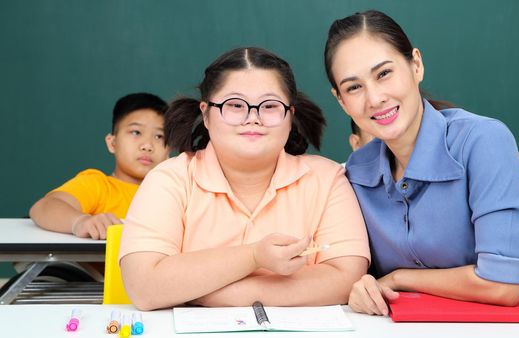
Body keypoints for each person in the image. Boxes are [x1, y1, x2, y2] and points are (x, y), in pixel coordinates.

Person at [324, 10, 519, 315]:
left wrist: (400, 279)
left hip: (506, 332)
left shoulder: (483, 142)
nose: (374, 98)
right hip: (407, 333)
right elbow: (357, 276)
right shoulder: (357, 173)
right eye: (354, 87)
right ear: (341, 101)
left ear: (416, 65)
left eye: (384, 73)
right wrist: (363, 288)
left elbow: (503, 286)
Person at [119, 47, 370, 311]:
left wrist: (198, 290)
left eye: (270, 106)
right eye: (235, 105)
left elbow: (346, 277)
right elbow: (144, 286)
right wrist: (253, 256)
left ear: (290, 115)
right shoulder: (168, 180)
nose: (253, 118)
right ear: (205, 114)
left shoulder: (327, 179)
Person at [30, 93, 170, 240]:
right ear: (112, 143)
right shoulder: (98, 185)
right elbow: (43, 207)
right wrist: (80, 221)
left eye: (159, 136)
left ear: (169, 151)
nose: (147, 146)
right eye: (136, 132)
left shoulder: (176, 194)